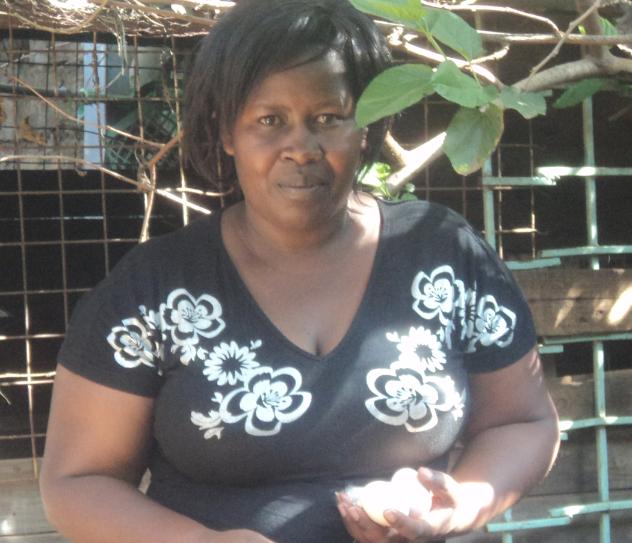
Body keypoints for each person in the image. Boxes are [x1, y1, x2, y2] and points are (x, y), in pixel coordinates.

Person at [39, 0, 560, 542]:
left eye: (328, 118)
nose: (301, 148)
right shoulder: (156, 286)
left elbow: (523, 422)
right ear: (227, 132)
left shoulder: (442, 254)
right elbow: (77, 481)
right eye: (270, 120)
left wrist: (457, 505)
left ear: (365, 126)